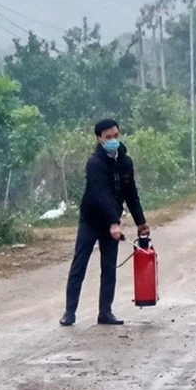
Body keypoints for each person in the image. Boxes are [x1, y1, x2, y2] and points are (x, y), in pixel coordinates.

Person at [59, 119, 150, 327]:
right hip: (91, 220)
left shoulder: (125, 162)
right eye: (108, 137)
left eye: (116, 136)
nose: (113, 140)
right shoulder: (94, 163)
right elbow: (100, 195)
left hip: (113, 222)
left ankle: (105, 312)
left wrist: (140, 221)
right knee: (79, 265)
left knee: (109, 267)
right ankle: (69, 312)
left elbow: (130, 193)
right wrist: (113, 222)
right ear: (99, 139)